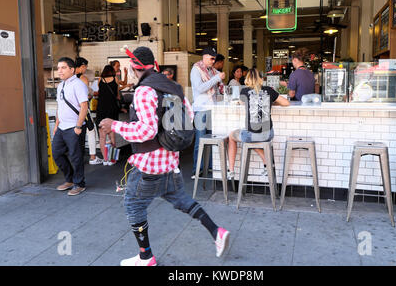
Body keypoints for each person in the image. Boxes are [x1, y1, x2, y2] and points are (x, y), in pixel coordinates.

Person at [99, 46, 230, 266]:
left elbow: (146, 131)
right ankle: (217, 232)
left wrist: (116, 125)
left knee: (133, 205)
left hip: (148, 164)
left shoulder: (144, 91)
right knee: (181, 200)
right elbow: (189, 117)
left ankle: (146, 257)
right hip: (170, 160)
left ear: (133, 68)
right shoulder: (174, 87)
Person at [227, 69, 290, 181]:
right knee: (253, 137)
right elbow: (286, 103)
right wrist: (271, 101)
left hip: (251, 135)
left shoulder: (244, 91)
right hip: (268, 134)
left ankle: (231, 170)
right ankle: (267, 162)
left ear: (247, 79)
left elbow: (241, 102)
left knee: (233, 136)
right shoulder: (269, 90)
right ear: (261, 78)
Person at [52, 57, 89, 196]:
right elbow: (59, 107)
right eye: (58, 68)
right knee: (57, 153)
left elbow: (84, 106)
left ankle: (79, 183)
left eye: (63, 68)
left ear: (72, 69)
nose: (59, 71)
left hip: (74, 127)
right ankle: (70, 179)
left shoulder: (78, 84)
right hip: (62, 127)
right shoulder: (61, 85)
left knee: (76, 156)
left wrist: (78, 126)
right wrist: (56, 125)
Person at [190, 47, 225, 179]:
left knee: (211, 139)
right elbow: (200, 88)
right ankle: (196, 169)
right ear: (204, 57)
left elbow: (217, 87)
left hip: (212, 108)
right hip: (201, 109)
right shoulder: (196, 70)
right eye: (211, 58)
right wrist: (216, 79)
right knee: (200, 141)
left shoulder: (211, 70)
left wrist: (219, 80)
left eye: (214, 58)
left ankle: (209, 166)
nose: (213, 61)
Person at [76, 57, 103, 165]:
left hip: (73, 111)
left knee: (76, 133)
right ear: (82, 66)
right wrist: (92, 94)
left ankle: (77, 157)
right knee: (91, 131)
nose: (85, 69)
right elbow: (86, 96)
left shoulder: (70, 79)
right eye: (85, 67)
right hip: (83, 109)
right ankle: (93, 157)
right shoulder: (83, 78)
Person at [95, 65, 121, 166]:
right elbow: (117, 95)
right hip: (112, 109)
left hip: (101, 109)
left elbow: (100, 92)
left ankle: (105, 159)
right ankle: (112, 159)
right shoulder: (115, 79)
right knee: (112, 136)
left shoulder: (100, 80)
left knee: (102, 137)